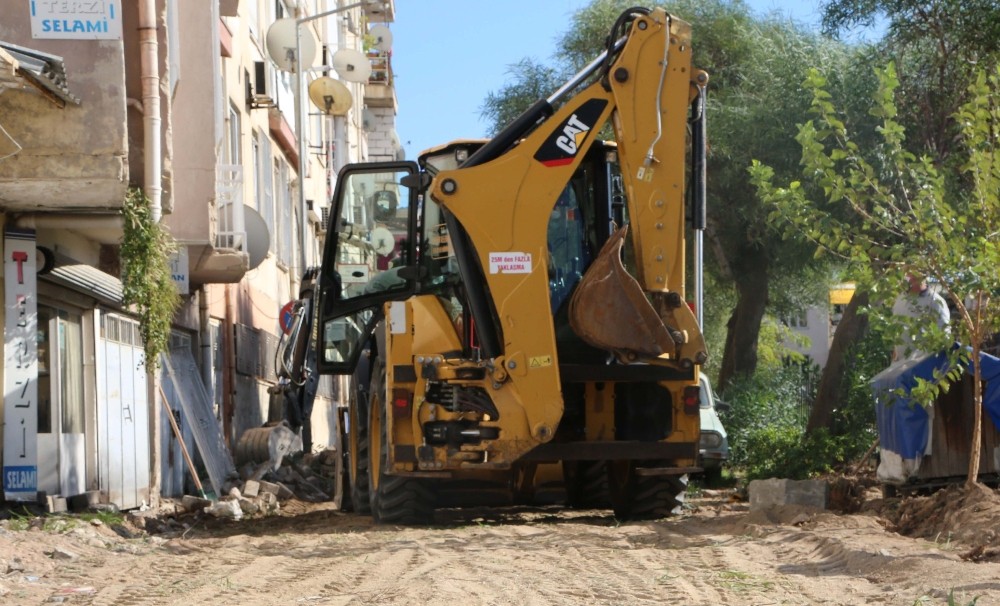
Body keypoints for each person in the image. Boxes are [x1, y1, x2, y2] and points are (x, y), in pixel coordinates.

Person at [891, 273, 951, 363]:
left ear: (923, 274)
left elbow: (943, 339)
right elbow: (897, 332)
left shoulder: (935, 302)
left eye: (913, 271)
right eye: (907, 272)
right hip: (898, 366)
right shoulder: (900, 299)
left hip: (922, 368)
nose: (909, 275)